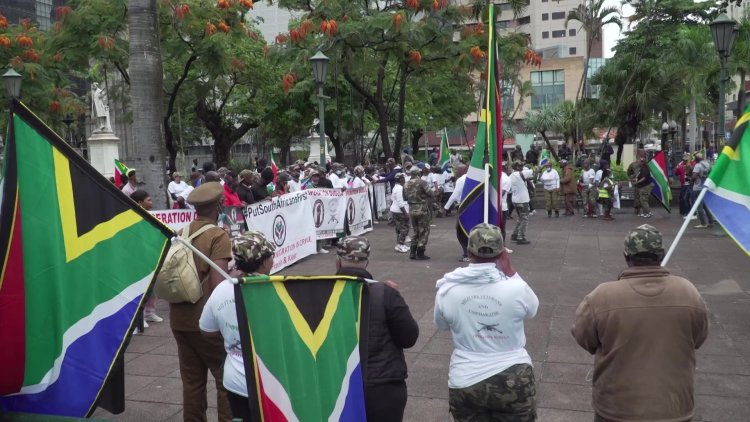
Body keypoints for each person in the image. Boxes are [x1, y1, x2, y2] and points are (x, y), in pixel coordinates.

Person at [572, 224, 708, 422]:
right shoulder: (688, 292)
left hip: (618, 407)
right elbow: (698, 337)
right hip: (674, 406)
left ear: (626, 256)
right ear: (661, 255)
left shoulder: (602, 295)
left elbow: (584, 337)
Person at [435, 224, 539, 422]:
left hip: (465, 378)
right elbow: (532, 310)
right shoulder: (517, 288)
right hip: (513, 376)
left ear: (469, 250)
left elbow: (441, 325)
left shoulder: (447, 288)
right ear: (502, 253)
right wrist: (510, 270)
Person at [335, 236, 419, 422]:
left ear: (338, 262)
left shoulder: (321, 295)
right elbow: (409, 337)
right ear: (367, 263)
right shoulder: (385, 293)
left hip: (338, 387)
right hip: (383, 386)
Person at [172, 182, 232, 421]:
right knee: (224, 379)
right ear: (219, 205)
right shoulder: (218, 235)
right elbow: (219, 285)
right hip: (206, 323)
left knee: (192, 382)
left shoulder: (181, 233)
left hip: (179, 319)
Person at [199, 231, 275, 421]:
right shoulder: (277, 291)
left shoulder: (222, 290)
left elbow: (206, 330)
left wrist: (232, 339)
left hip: (235, 381)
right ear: (265, 261)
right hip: (272, 382)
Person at [404, 166, 434, 260]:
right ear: (418, 173)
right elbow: (431, 194)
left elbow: (405, 198)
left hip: (412, 209)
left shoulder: (406, 184)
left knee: (416, 231)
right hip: (422, 209)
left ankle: (412, 252)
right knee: (424, 231)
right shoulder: (422, 182)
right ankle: (420, 252)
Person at [443, 164, 468, 261]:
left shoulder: (461, 180)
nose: (456, 171)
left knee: (460, 232)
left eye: (457, 169)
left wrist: (446, 207)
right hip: (472, 207)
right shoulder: (473, 179)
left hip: (462, 207)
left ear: (463, 170)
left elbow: (455, 195)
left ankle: (467, 254)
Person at [508, 161, 531, 245]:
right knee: (524, 219)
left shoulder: (511, 176)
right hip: (523, 200)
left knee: (520, 218)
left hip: (515, 200)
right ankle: (520, 237)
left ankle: (515, 234)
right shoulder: (520, 174)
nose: (522, 167)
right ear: (516, 167)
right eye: (520, 165)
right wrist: (542, 166)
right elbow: (534, 171)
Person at [691, 153, 713, 229]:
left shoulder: (697, 165)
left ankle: (703, 223)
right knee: (704, 205)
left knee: (699, 206)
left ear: (697, 159)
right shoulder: (707, 164)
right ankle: (711, 221)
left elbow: (694, 176)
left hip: (697, 187)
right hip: (704, 186)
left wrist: (691, 179)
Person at [390, 173, 410, 253]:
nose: (405, 179)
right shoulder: (399, 189)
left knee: (399, 228)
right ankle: (400, 245)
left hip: (396, 210)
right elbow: (400, 203)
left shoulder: (396, 187)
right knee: (405, 228)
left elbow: (392, 198)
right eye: (403, 178)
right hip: (400, 211)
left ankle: (400, 244)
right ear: (401, 179)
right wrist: (405, 213)